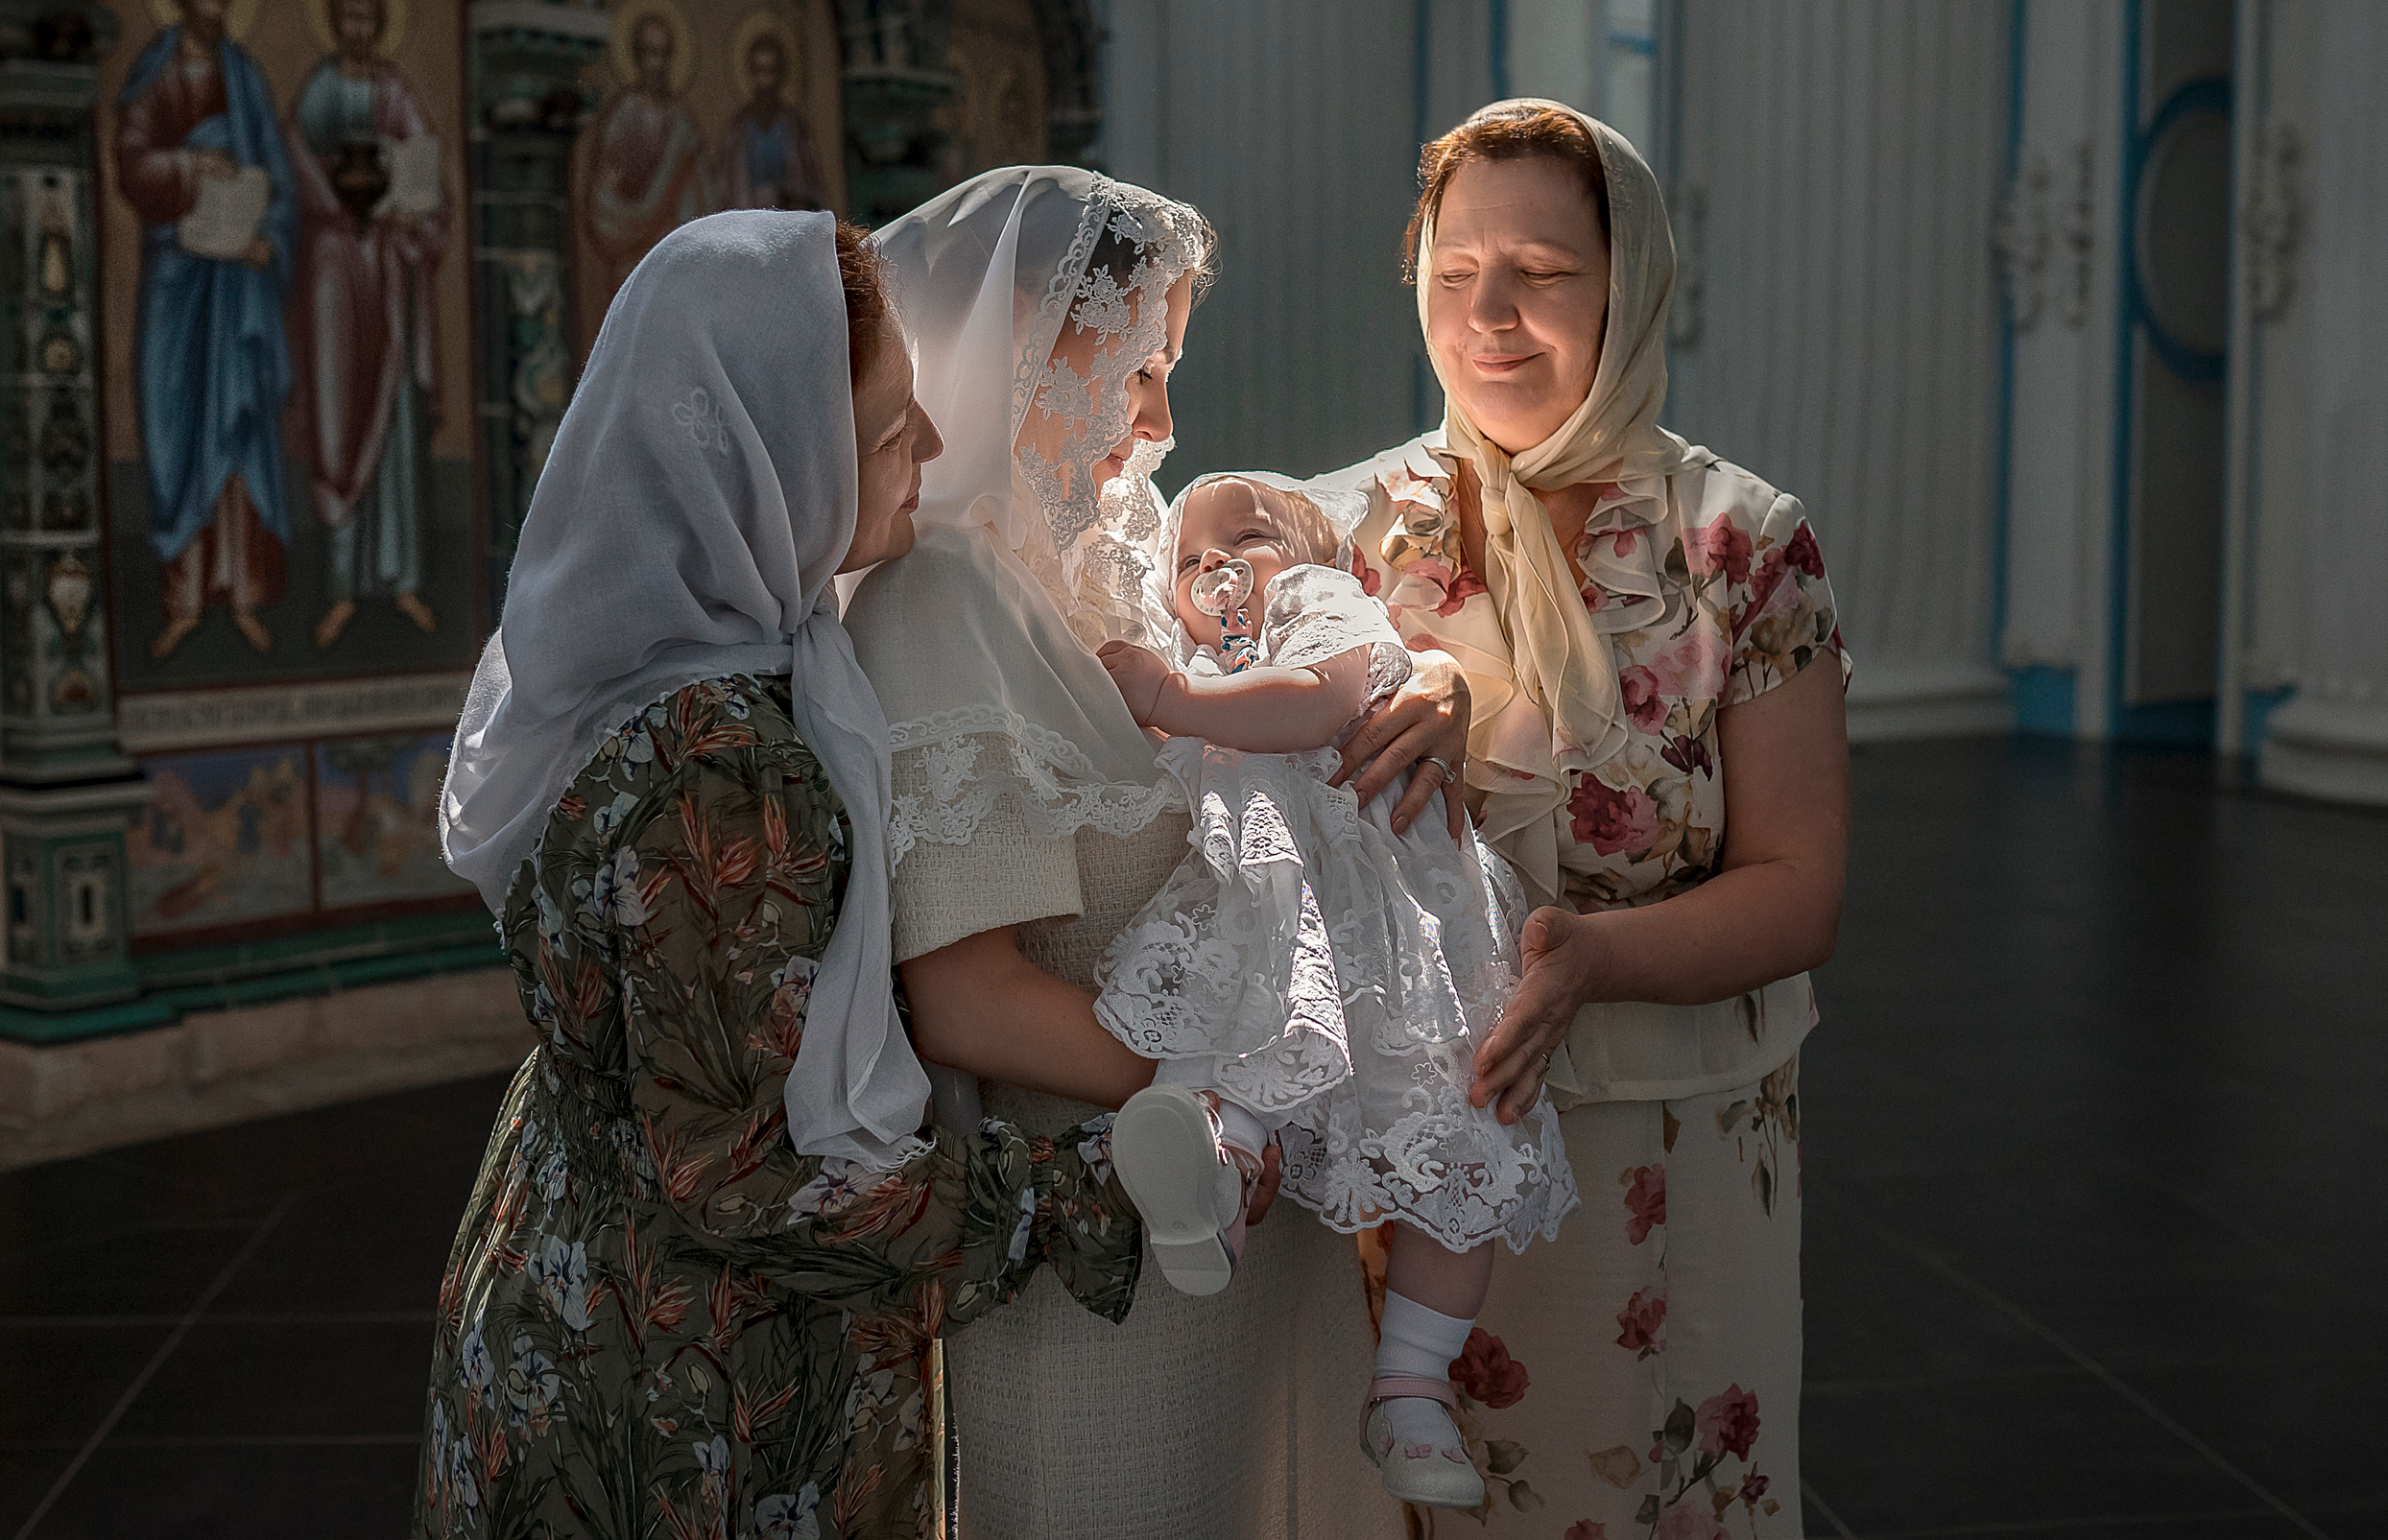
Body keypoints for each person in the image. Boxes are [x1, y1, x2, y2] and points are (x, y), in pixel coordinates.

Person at [424, 210, 1144, 1538]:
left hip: (570, 1254)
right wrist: (1099, 1183)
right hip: (689, 1382)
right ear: (768, 463)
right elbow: (742, 1177)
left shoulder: (635, 646)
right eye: (887, 431)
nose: (932, 451)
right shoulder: (719, 761)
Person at [846, 166, 1465, 1538]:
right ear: (1023, 341)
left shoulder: (1120, 558)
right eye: (1138, 368)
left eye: (1166, 373)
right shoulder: (940, 599)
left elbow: (1314, 635)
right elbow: (965, 998)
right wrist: (1232, 1083)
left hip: (1254, 1218)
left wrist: (1430, 680)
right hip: (1105, 1252)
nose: (1162, 421)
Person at [1329, 100, 1849, 1535]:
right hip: (1419, 1160)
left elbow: (1799, 883)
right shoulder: (1355, 535)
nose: (1487, 313)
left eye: (1543, 273)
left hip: (1665, 1143)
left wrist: (1594, 960)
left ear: (1628, 284)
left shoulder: (1739, 542)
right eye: (1452, 272)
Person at [1091, 470, 1577, 1508]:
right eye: (1189, 557)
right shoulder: (1203, 659)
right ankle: (1213, 1186)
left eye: (1247, 537)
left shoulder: (1321, 602)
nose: (1217, 564)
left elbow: (1320, 698)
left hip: (1398, 926)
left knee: (1456, 1130)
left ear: (1320, 556)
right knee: (1241, 1023)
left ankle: (1412, 1388)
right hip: (1286, 905)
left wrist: (1173, 701)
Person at [114, 0, 297, 661]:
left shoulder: (245, 76)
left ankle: (243, 594)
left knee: (241, 428)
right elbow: (132, 163)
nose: (215, 10)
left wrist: (266, 241)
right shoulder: (156, 73)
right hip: (179, 277)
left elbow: (276, 178)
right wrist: (193, 166)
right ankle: (183, 598)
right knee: (179, 428)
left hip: (237, 287)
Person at [283, 0, 449, 652]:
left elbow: (424, 175)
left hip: (388, 271)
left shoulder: (395, 91)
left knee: (396, 422)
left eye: (366, 15)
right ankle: (341, 587)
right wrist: (337, 202)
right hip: (333, 271)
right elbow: (294, 167)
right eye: (346, 15)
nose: (357, 28)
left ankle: (401, 578)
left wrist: (410, 214)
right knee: (338, 418)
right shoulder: (321, 89)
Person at [574, 12, 707, 358]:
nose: (656, 64)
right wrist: (617, 192)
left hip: (670, 242)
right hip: (624, 238)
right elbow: (605, 183)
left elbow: (696, 195)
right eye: (649, 52)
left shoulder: (682, 125)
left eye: (662, 54)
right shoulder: (622, 113)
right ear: (635, 56)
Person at [719, 33, 827, 212]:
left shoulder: (794, 125)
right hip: (748, 217)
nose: (765, 80)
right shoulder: (738, 128)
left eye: (771, 71)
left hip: (789, 215)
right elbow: (726, 185)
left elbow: (810, 182)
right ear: (751, 72)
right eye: (759, 71)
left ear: (780, 73)